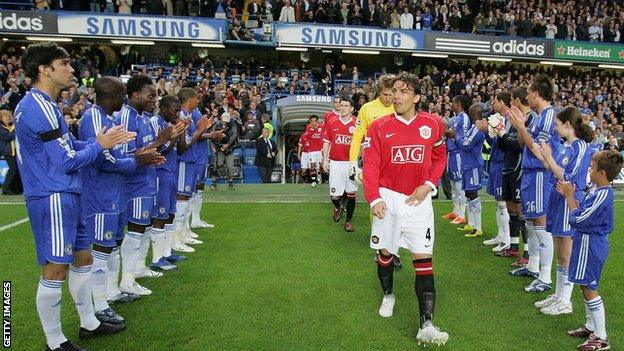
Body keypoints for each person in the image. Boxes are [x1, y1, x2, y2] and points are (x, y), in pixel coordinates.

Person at [15, 42, 131, 351]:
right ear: (44, 69)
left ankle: (89, 322)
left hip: (69, 191)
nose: (71, 69)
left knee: (84, 258)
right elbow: (66, 161)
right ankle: (55, 342)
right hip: (52, 195)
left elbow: (72, 150)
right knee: (56, 269)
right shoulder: (36, 107)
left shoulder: (50, 106)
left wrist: (101, 141)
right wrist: (101, 145)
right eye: (64, 64)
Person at [363, 73, 448, 345]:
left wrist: (429, 185)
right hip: (389, 199)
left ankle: (427, 325)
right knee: (385, 254)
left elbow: (439, 157)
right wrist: (374, 198)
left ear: (417, 97)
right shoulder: (378, 127)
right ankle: (388, 294)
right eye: (394, 91)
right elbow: (372, 165)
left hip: (419, 201)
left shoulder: (433, 125)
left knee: (423, 261)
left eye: (403, 91)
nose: (396, 96)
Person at [79, 77, 166, 322]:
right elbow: (102, 160)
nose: (124, 99)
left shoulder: (110, 119)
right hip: (100, 194)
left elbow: (119, 155)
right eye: (122, 94)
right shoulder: (94, 117)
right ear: (115, 95)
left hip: (114, 191)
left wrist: (142, 157)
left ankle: (111, 291)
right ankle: (98, 305)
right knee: (101, 249)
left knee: (112, 245)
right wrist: (138, 160)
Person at [116, 75, 175, 296]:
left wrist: (156, 152)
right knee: (135, 230)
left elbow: (146, 150)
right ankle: (126, 279)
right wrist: (159, 142)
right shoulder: (127, 117)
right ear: (135, 95)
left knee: (144, 227)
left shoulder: (141, 117)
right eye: (151, 95)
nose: (155, 100)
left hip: (146, 179)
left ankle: (138, 268)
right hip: (134, 183)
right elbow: (126, 154)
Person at [531, 107, 593, 315]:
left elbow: (568, 177)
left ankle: (566, 301)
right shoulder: (565, 146)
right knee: (560, 251)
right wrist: (543, 158)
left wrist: (549, 159)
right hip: (557, 198)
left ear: (568, 125)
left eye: (558, 125)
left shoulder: (580, 146)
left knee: (566, 253)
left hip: (569, 200)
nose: (555, 129)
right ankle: (558, 295)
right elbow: (555, 170)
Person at [561, 150, 622, 351]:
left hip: (592, 244)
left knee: (590, 287)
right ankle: (591, 326)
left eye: (593, 168)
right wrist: (570, 198)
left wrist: (570, 197)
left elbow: (577, 219)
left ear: (603, 173)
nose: (590, 170)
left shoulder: (603, 194)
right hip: (586, 241)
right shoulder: (597, 190)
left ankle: (601, 336)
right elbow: (582, 212)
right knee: (583, 284)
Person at [508, 74, 562, 293]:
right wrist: (520, 127)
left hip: (540, 175)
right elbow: (524, 144)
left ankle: (545, 276)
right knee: (530, 221)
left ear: (537, 94)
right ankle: (532, 266)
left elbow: (540, 152)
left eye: (529, 92)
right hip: (530, 174)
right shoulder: (540, 117)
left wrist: (521, 127)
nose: (527, 95)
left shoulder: (549, 117)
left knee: (541, 223)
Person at [149, 95, 191, 271]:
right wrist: (175, 133)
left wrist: (180, 132)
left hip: (171, 172)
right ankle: (157, 258)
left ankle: (166, 253)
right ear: (164, 108)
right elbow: (160, 149)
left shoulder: (170, 124)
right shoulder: (155, 122)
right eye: (175, 111)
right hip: (160, 173)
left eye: (179, 111)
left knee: (170, 214)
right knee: (160, 216)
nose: (177, 115)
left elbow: (180, 150)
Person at [495, 87, 536, 265]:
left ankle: (527, 253)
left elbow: (519, 146)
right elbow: (507, 145)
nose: (511, 103)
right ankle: (513, 246)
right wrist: (499, 134)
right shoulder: (514, 119)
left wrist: (503, 134)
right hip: (509, 167)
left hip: (520, 169)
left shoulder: (530, 118)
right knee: (512, 208)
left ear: (519, 100)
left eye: (513, 100)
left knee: (521, 211)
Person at [477, 92, 511, 251]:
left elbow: (504, 142)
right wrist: (486, 132)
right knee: (498, 202)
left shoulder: (508, 119)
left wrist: (487, 132)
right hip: (496, 161)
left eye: (496, 101)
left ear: (502, 102)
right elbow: (494, 142)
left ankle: (507, 239)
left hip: (503, 163)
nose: (493, 104)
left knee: (503, 202)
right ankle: (501, 235)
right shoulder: (498, 117)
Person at [349, 75, 394, 181]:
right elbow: (357, 137)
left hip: (395, 159)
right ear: (379, 92)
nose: (388, 98)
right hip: (373, 159)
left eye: (391, 94)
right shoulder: (366, 109)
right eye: (385, 95)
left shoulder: (401, 108)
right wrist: (352, 162)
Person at [322, 98, 357, 232]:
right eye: (341, 105)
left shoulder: (357, 124)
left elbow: (362, 145)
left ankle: (348, 221)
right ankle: (337, 207)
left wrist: (358, 162)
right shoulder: (332, 122)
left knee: (351, 193)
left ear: (351, 108)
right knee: (335, 196)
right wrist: (325, 160)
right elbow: (326, 142)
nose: (342, 108)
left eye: (346, 106)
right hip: (335, 163)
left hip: (351, 164)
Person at [452, 103, 485, 238]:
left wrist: (456, 136)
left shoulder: (478, 129)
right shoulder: (473, 127)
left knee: (473, 194)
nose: (469, 115)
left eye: (471, 113)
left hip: (474, 166)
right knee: (468, 195)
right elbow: (465, 141)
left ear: (474, 114)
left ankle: (478, 227)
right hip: (468, 165)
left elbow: (466, 145)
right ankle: (471, 224)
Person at [442, 95, 470, 225]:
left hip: (458, 153)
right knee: (453, 184)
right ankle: (456, 211)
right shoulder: (455, 118)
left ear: (458, 103)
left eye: (453, 102)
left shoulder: (464, 118)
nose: (451, 104)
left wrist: (451, 134)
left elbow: (463, 137)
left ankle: (462, 214)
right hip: (451, 153)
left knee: (459, 184)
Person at [210, 112, 239, 190]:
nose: (226, 121)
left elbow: (234, 135)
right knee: (217, 164)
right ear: (221, 118)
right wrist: (213, 147)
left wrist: (227, 145)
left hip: (230, 149)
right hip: (219, 149)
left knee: (230, 166)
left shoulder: (232, 125)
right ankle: (214, 182)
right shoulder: (216, 124)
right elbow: (211, 136)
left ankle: (231, 182)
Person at [0, 109, 21, 195]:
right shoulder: (1, 128)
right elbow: (7, 137)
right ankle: (6, 189)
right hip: (8, 152)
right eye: (6, 116)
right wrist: (16, 129)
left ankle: (16, 189)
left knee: (17, 170)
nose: (8, 118)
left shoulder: (12, 126)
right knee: (12, 169)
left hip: (16, 152)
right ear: (1, 118)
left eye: (10, 116)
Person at [304, 115, 324, 187]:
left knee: (322, 165)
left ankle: (320, 175)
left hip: (320, 149)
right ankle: (314, 180)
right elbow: (307, 137)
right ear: (310, 121)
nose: (313, 123)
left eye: (315, 121)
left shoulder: (321, 127)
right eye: (312, 121)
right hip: (312, 149)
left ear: (317, 121)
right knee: (312, 165)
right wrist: (312, 130)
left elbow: (324, 136)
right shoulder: (308, 127)